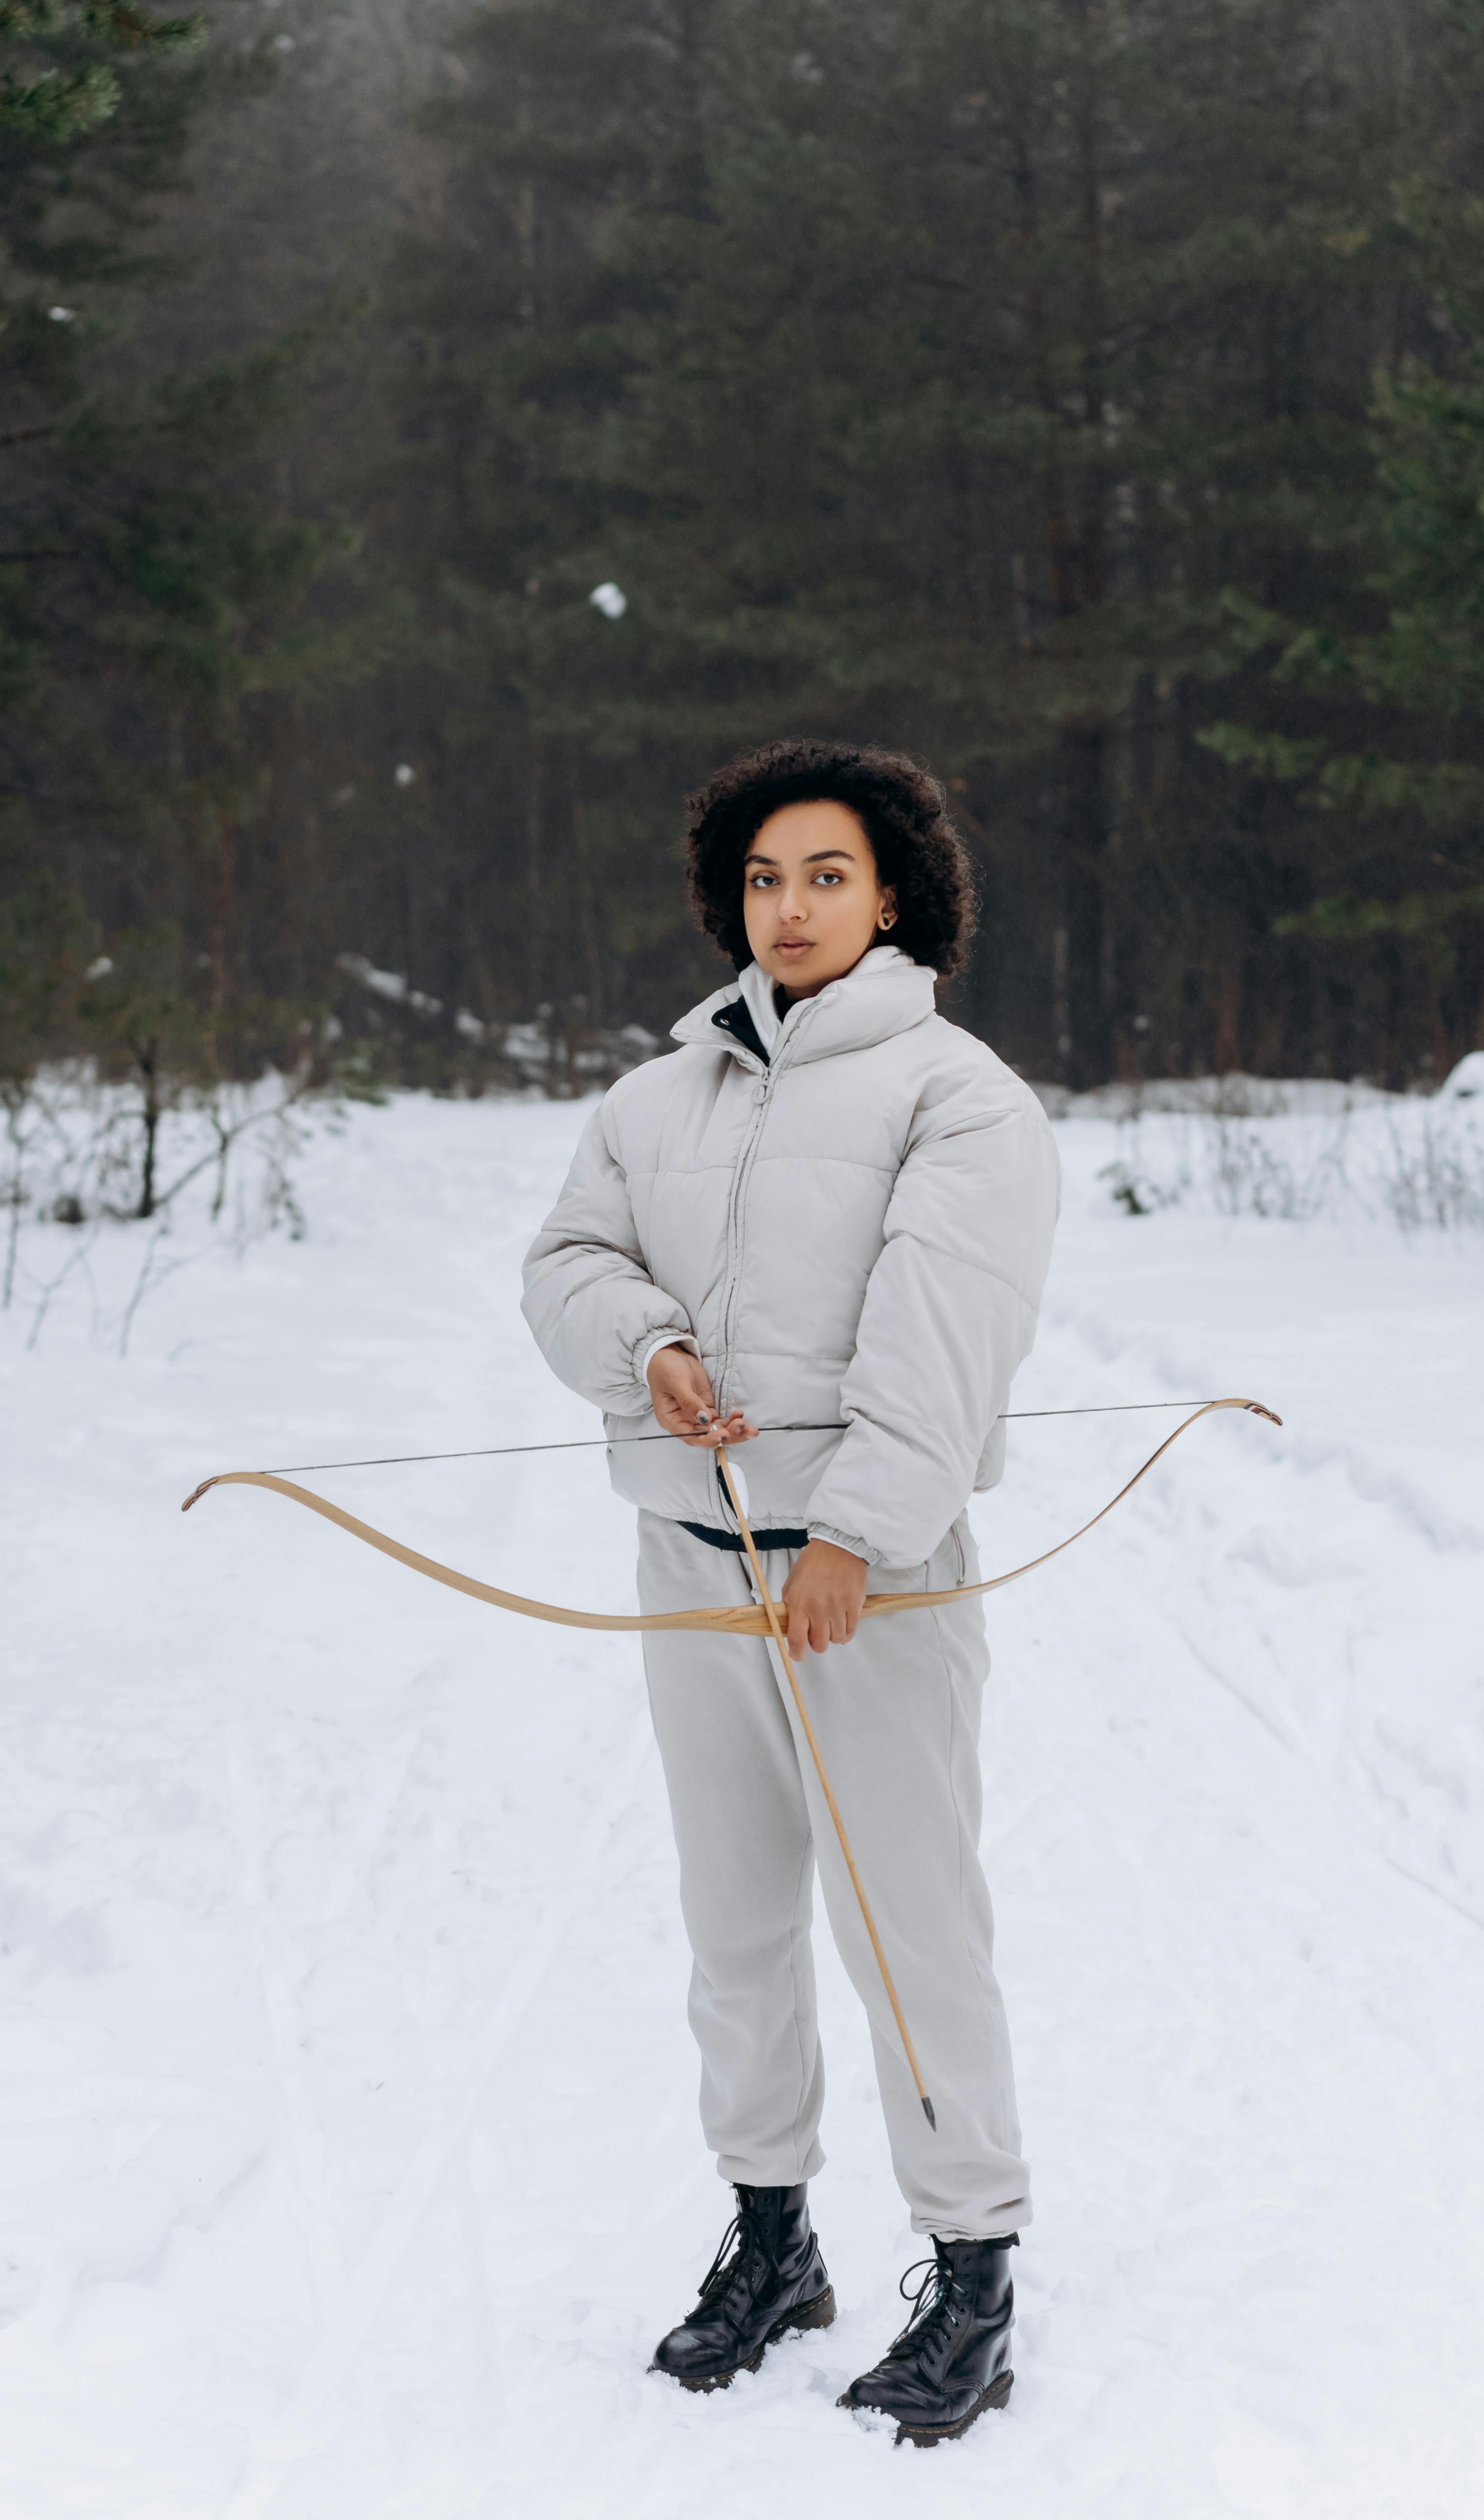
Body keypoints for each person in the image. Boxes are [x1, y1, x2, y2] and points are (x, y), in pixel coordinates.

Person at [521, 739, 1060, 2444]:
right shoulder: (653, 1097)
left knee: (908, 1928)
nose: (794, 906)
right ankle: (772, 2244)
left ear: (892, 889)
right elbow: (567, 1264)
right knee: (735, 1927)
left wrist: (858, 1536)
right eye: (765, 878)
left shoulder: (955, 1094)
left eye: (828, 874)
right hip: (693, 1567)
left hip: (865, 1584)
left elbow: (942, 1329)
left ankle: (972, 2274)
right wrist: (653, 1348)